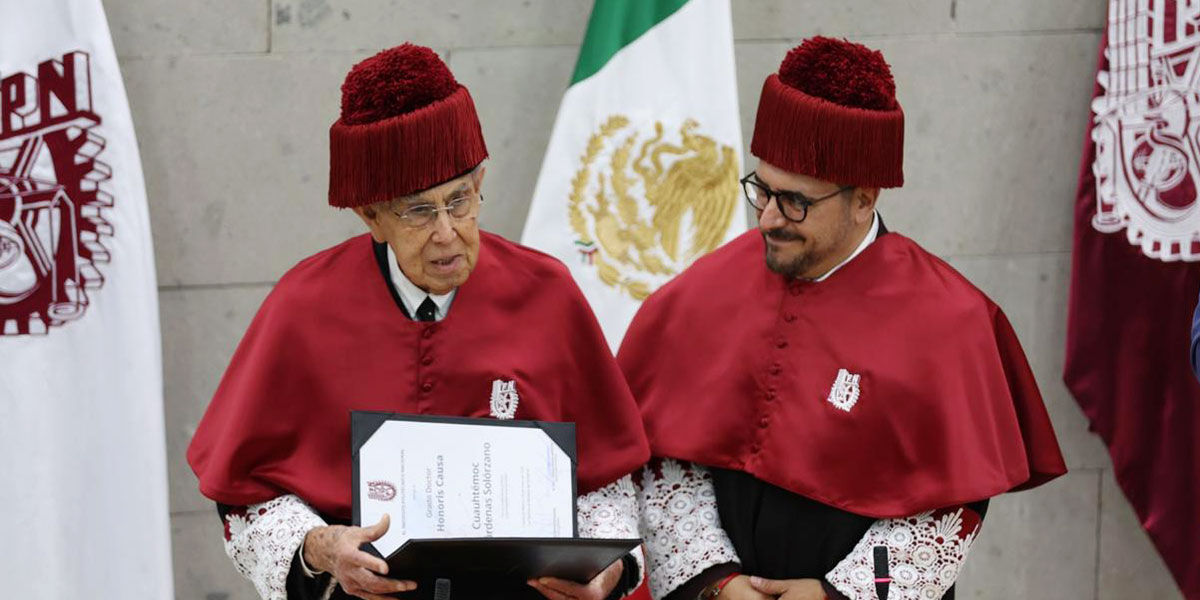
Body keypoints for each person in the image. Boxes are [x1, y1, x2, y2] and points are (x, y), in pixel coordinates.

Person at [187, 44, 649, 600]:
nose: (447, 233)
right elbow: (249, 499)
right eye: (419, 211)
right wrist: (320, 547)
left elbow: (606, 482)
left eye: (460, 201)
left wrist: (608, 570)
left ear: (480, 183)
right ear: (372, 216)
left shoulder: (548, 294)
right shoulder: (302, 307)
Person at [617, 37, 1068, 600]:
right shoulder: (705, 292)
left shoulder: (952, 322)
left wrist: (835, 594)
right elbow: (667, 460)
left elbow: (949, 507)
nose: (769, 219)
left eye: (796, 201)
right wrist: (717, 582)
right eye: (762, 190)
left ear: (864, 198)